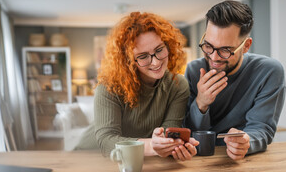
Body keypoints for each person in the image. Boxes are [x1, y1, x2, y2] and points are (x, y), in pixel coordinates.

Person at [75, 12, 199, 161]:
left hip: (139, 159)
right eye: (143, 56)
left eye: (159, 50)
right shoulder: (109, 87)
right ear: (128, 61)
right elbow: (106, 141)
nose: (156, 62)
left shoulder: (178, 85)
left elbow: (166, 136)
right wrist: (153, 146)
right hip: (91, 157)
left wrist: (175, 145)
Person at [184, 0, 286, 160]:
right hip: (199, 159)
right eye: (208, 45)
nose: (213, 57)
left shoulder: (269, 71)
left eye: (225, 50)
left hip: (244, 161)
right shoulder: (193, 71)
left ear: (246, 46)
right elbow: (189, 132)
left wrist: (247, 141)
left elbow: (262, 129)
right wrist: (201, 104)